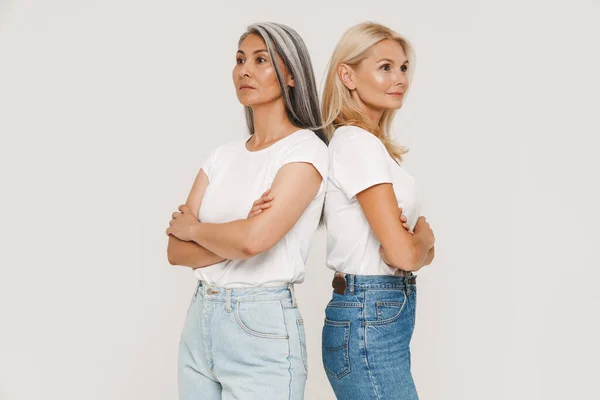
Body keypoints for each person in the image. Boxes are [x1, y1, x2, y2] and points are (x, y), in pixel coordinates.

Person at [165, 22, 328, 400]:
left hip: (261, 327)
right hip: (200, 320)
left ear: (290, 74)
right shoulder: (221, 157)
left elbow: (255, 241)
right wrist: (236, 234)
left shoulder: (305, 152)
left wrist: (197, 229)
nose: (245, 70)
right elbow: (175, 252)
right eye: (240, 60)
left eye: (260, 60)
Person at [320, 22, 436, 399]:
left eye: (403, 68)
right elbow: (403, 252)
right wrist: (422, 240)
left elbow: (404, 250)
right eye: (385, 67)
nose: (399, 78)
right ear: (347, 74)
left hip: (375, 311)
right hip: (370, 313)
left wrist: (412, 244)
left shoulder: (370, 145)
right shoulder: (357, 144)